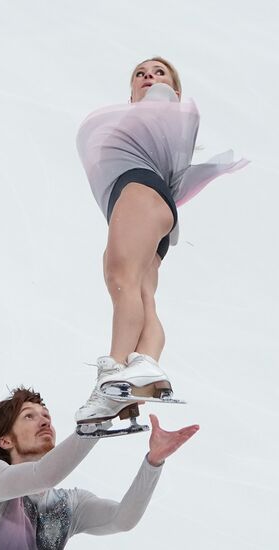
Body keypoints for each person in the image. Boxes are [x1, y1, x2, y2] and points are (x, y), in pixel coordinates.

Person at [75, 57, 248, 427]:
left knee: (121, 279)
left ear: (174, 90)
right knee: (138, 293)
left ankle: (115, 372)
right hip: (151, 204)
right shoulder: (157, 131)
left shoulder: (163, 110)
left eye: (159, 74)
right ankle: (142, 370)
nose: (149, 78)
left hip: (139, 192)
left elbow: (163, 99)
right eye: (141, 74)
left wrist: (160, 94)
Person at [0, 386, 199, 549]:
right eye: (29, 416)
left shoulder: (67, 505)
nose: (45, 420)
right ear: (5, 440)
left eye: (46, 415)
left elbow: (122, 519)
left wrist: (153, 461)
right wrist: (93, 425)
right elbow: (43, 476)